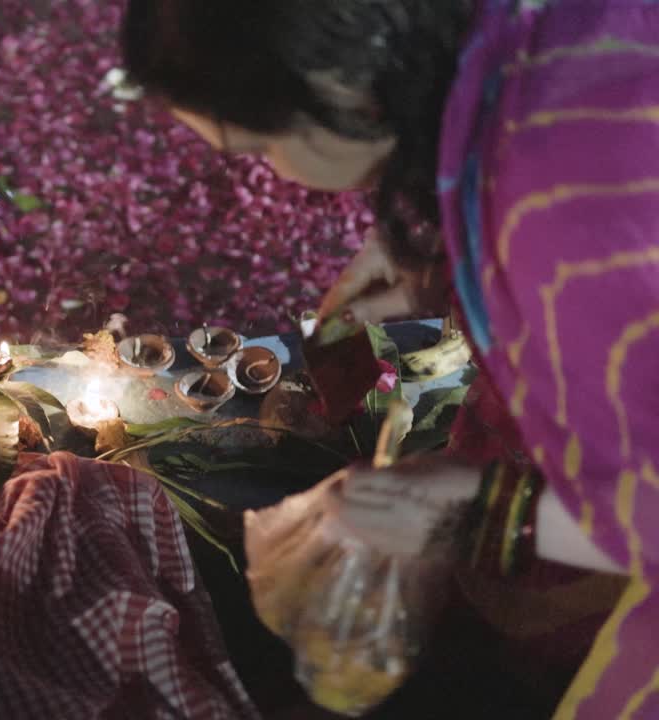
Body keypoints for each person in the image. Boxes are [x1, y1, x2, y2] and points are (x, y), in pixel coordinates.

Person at [122, 1, 659, 717]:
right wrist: (448, 236)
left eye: (262, 149)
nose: (274, 171)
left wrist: (477, 509)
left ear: (343, 86)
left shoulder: (561, 215)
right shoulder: (543, 40)